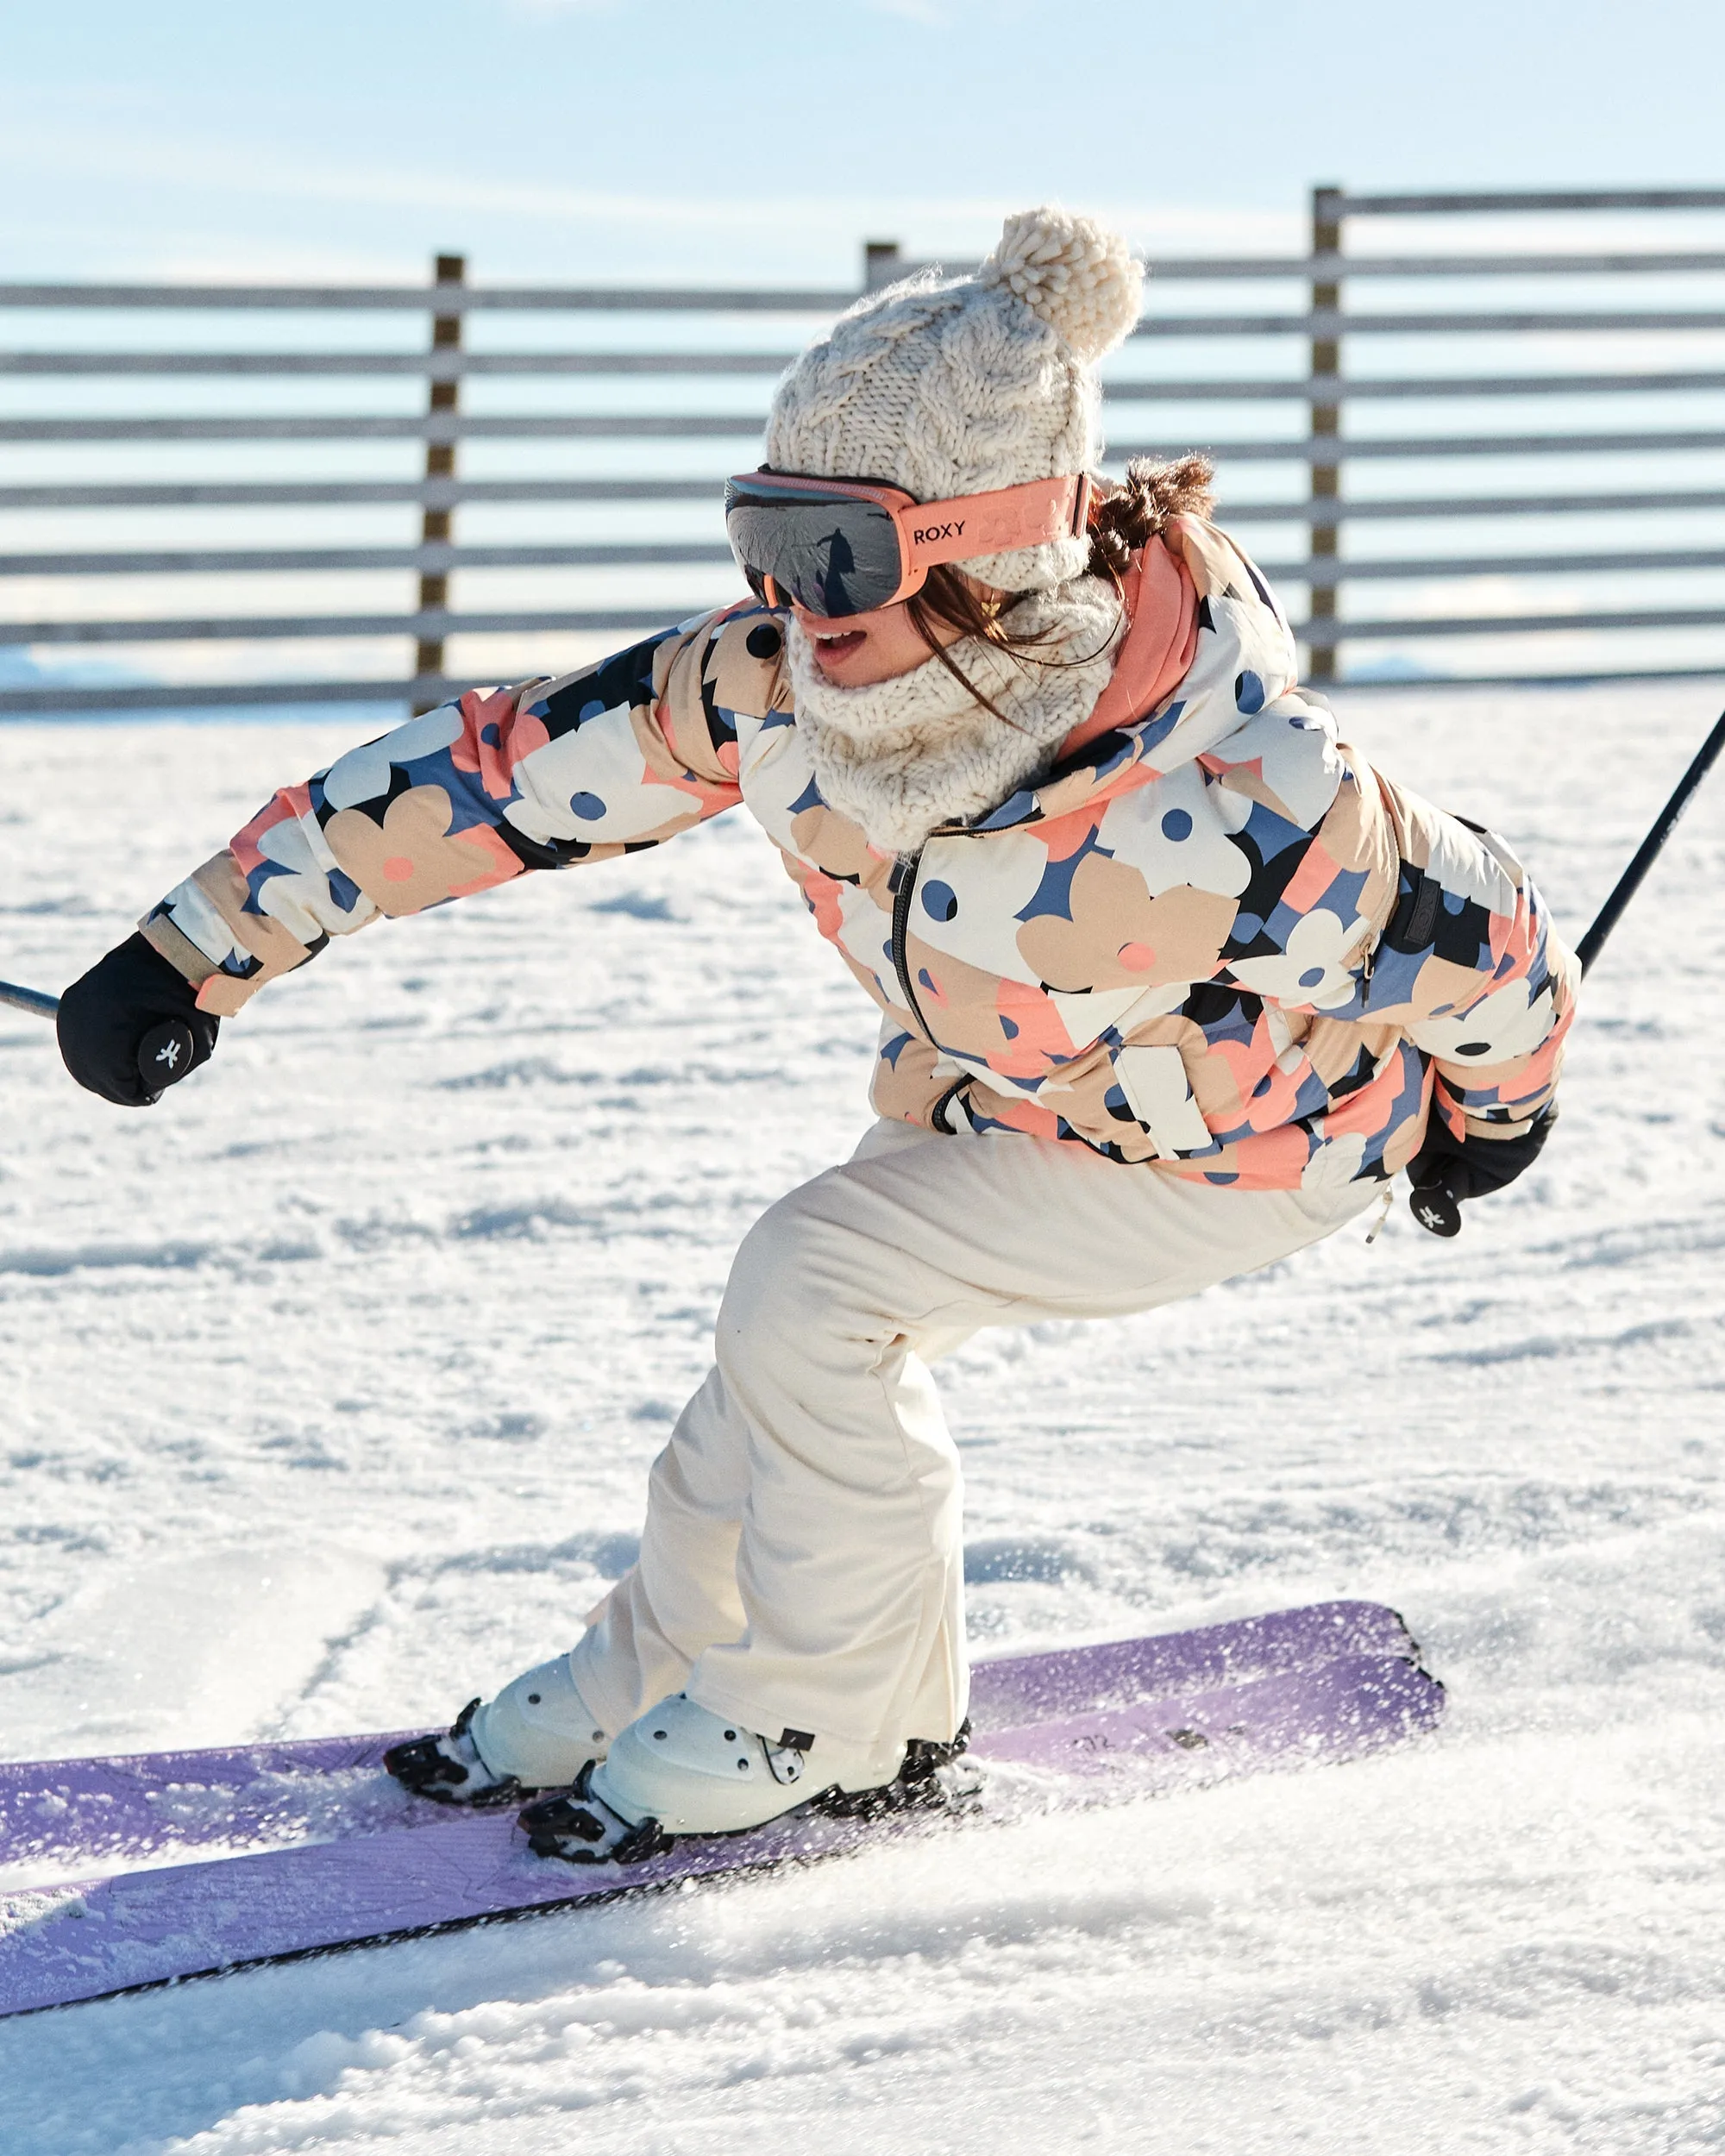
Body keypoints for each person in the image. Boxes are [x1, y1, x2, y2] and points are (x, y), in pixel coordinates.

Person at [55, 209, 1577, 1858]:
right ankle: (667, 1664)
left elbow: (1490, 944)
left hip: (1245, 1148)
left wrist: (1490, 1124)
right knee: (780, 1368)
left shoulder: (1241, 791)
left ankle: (848, 1718)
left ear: (992, 545)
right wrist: (196, 948)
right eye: (765, 540)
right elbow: (490, 781)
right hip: (1010, 1107)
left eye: (840, 553)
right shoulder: (773, 688)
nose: (794, 600)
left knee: (816, 1286)